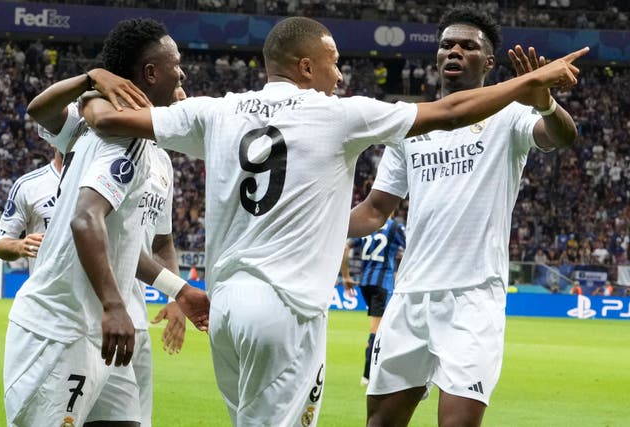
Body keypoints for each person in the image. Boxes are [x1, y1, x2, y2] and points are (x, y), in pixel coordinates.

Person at [83, 16, 586, 426]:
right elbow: (441, 124)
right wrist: (532, 78)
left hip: (230, 308)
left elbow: (104, 118)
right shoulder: (339, 114)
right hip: (292, 306)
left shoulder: (219, 110)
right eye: (335, 64)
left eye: (466, 47)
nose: (341, 76)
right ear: (307, 66)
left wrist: (93, 80)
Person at [347, 7, 583, 427]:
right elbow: (374, 211)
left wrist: (545, 103)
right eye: (446, 45)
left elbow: (561, 137)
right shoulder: (412, 125)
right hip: (410, 296)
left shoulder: (510, 114)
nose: (454, 51)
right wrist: (311, 221)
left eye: (467, 46)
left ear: (488, 62)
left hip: (473, 298)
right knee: (380, 422)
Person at [4, 18, 208, 427]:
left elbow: (128, 245)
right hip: (61, 330)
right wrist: (115, 304)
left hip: (101, 331)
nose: (183, 74)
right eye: (177, 65)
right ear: (151, 73)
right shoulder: (119, 135)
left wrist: (180, 290)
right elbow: (85, 220)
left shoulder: (137, 143)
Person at [28, 72, 189, 426]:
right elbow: (41, 109)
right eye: (175, 76)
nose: (183, 88)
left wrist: (176, 294)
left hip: (133, 317)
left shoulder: (162, 162)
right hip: (83, 311)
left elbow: (160, 241)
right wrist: (90, 82)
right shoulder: (94, 128)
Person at [341, 214, 405, 386]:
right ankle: (368, 375)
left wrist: (346, 276)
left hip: (365, 283)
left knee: (383, 327)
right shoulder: (394, 227)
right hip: (382, 284)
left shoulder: (366, 225)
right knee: (377, 330)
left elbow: (345, 248)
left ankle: (376, 371)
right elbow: (411, 249)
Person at [0, 149, 62, 273]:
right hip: (44, 291)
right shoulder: (28, 186)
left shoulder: (101, 180)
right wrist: (21, 246)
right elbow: (1, 243)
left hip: (92, 291)